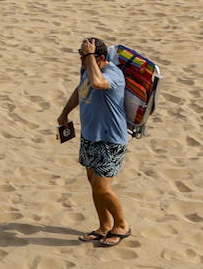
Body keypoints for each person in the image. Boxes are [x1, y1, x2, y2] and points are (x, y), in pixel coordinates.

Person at [57, 37, 132, 247]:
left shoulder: (113, 75)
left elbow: (98, 83)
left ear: (100, 57)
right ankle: (104, 226)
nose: (82, 61)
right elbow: (81, 90)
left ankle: (122, 225)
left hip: (111, 139)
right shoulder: (87, 70)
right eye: (81, 57)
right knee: (93, 184)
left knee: (102, 187)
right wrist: (64, 113)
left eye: (85, 57)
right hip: (90, 136)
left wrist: (89, 57)